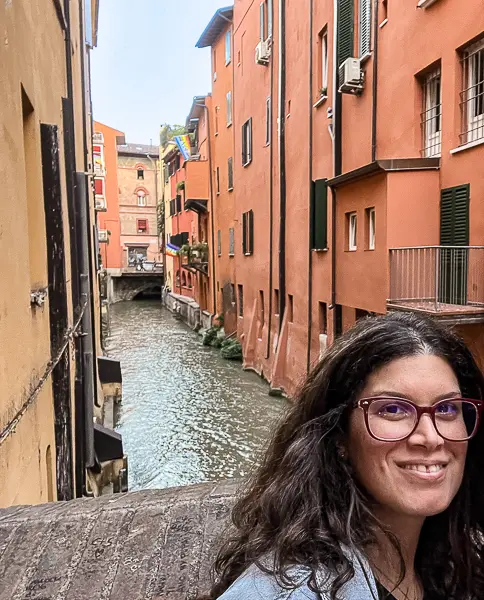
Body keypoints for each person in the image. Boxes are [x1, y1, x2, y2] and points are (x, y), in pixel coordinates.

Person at [206, 312, 484, 600]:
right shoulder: (287, 592)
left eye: (447, 408)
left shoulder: (455, 563)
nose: (431, 437)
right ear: (339, 438)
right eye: (392, 409)